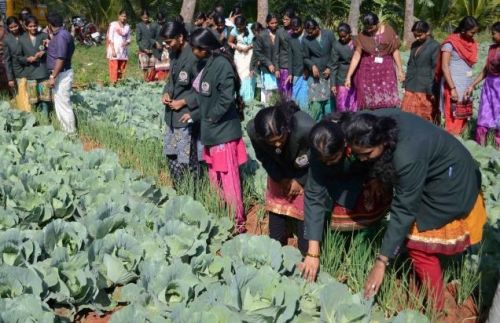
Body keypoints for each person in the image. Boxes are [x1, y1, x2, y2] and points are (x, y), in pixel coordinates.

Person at [345, 110, 485, 311]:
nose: (361, 159)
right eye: (356, 153)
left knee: (418, 245)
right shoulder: (372, 121)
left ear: (383, 141)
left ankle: (435, 307)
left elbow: (404, 209)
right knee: (406, 236)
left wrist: (381, 262)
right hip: (434, 168)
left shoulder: (407, 156)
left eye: (366, 154)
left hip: (450, 183)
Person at [299, 116, 392, 281]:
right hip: (338, 184)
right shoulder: (318, 156)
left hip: (366, 178)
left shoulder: (358, 136)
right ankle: (340, 257)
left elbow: (382, 156)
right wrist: (313, 252)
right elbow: (314, 197)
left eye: (333, 159)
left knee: (368, 223)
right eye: (324, 161)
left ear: (345, 145)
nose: (328, 163)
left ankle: (362, 259)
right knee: (337, 224)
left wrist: (377, 178)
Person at [190, 28, 248, 233]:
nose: (192, 52)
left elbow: (226, 97)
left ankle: (237, 220)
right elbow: (202, 97)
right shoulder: (206, 64)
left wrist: (211, 117)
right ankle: (222, 214)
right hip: (210, 130)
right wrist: (199, 116)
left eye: (194, 49)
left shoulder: (221, 65)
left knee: (229, 177)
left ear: (204, 48)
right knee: (215, 176)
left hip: (222, 130)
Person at [247, 102, 315, 254]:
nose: (277, 143)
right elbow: (264, 157)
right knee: (277, 216)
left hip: (304, 169)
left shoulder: (306, 128)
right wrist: (281, 178)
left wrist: (299, 181)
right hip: (278, 168)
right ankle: (275, 246)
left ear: (287, 128)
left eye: (280, 138)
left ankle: (305, 251)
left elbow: (318, 160)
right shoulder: (254, 131)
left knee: (304, 214)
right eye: (271, 142)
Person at [160, 21, 201, 187]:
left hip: (185, 116)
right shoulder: (173, 54)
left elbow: (203, 90)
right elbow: (171, 81)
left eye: (169, 42)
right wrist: (166, 93)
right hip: (172, 117)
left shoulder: (194, 57)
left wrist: (183, 101)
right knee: (172, 155)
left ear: (180, 37)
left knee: (187, 158)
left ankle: (192, 189)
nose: (168, 46)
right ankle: (178, 188)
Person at [345, 13, 404, 110]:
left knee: (388, 101)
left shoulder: (389, 31)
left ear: (378, 23)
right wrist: (348, 76)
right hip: (368, 72)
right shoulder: (362, 36)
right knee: (371, 104)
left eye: (371, 27)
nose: (369, 30)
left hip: (386, 72)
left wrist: (400, 70)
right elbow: (356, 56)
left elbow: (395, 51)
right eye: (366, 27)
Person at [437, 16, 479, 135]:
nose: (473, 35)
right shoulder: (450, 43)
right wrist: (453, 88)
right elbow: (445, 67)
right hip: (453, 83)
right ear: (463, 30)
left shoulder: (471, 43)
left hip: (466, 84)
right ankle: (452, 138)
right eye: (472, 32)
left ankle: (461, 136)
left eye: (475, 33)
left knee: (464, 112)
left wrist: (471, 85)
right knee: (453, 112)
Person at [465, 21, 499, 148]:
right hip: (489, 85)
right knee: (484, 114)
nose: (492, 36)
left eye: (494, 33)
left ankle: (497, 145)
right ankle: (481, 144)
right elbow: (486, 69)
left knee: (498, 115)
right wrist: (473, 84)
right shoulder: (492, 48)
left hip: (499, 87)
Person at [401, 21, 440, 122]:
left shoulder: (434, 46)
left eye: (419, 35)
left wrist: (432, 90)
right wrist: (405, 83)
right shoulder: (414, 45)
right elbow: (410, 64)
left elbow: (435, 68)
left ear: (427, 32)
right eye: (415, 35)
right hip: (411, 84)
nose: (417, 38)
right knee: (407, 116)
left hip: (425, 86)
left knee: (424, 116)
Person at [46, 12, 76, 135]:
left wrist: (53, 76)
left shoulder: (62, 36)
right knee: (60, 103)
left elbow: (61, 58)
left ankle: (70, 132)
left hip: (61, 74)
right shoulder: (62, 34)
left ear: (49, 25)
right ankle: (65, 130)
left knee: (63, 104)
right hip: (62, 73)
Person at [302, 18, 335, 121]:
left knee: (329, 103)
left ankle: (329, 126)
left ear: (317, 27)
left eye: (312, 31)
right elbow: (305, 57)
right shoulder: (305, 39)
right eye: (308, 32)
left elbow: (335, 52)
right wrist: (312, 65)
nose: (310, 34)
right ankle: (316, 126)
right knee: (316, 105)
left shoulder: (328, 34)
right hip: (315, 76)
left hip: (329, 74)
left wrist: (330, 67)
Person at [17, 15, 50, 116]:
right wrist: (27, 59)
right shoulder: (22, 39)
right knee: (33, 99)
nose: (33, 28)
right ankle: (36, 118)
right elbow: (18, 57)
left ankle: (45, 119)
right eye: (30, 26)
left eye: (35, 26)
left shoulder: (43, 36)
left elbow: (52, 51)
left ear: (37, 25)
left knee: (45, 98)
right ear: (26, 26)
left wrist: (44, 52)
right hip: (30, 73)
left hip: (43, 72)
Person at [253, 14, 279, 105]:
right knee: (268, 96)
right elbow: (257, 52)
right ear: (267, 24)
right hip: (267, 70)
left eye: (276, 22)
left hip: (280, 68)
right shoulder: (262, 35)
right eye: (272, 23)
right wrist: (268, 63)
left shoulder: (281, 33)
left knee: (279, 95)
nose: (274, 25)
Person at [228, 15, 255, 103]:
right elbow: (229, 42)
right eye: (237, 26)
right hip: (239, 56)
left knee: (248, 75)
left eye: (241, 26)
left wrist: (249, 46)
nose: (239, 28)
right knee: (239, 75)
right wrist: (236, 47)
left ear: (245, 24)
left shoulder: (251, 28)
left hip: (249, 54)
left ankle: (248, 99)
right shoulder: (234, 30)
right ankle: (238, 98)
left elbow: (257, 40)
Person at [331, 23, 357, 112]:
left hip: (356, 76)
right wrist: (333, 84)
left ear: (349, 33)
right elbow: (333, 65)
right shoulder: (336, 45)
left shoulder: (357, 41)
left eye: (344, 36)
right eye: (340, 37)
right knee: (342, 104)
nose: (342, 39)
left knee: (355, 104)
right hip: (342, 78)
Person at [106, 10, 131, 85]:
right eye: (122, 16)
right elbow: (110, 37)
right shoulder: (113, 24)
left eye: (125, 16)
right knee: (114, 67)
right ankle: (113, 83)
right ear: (119, 16)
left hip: (123, 51)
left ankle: (120, 83)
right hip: (114, 50)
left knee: (121, 68)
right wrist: (113, 50)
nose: (124, 18)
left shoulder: (127, 26)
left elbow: (129, 38)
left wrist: (126, 42)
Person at [288, 17, 308, 109]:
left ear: (302, 26)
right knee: (296, 94)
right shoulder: (291, 38)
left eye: (297, 29)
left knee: (305, 94)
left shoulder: (308, 36)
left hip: (308, 72)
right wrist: (290, 73)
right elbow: (290, 56)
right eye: (293, 29)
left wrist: (307, 68)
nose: (295, 31)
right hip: (296, 70)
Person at [3, 16, 25, 98]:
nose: (14, 29)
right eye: (11, 27)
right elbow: (7, 60)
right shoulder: (7, 40)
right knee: (21, 96)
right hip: (17, 71)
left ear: (19, 24)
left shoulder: (25, 35)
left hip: (30, 68)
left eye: (15, 26)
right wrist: (10, 78)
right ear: (8, 28)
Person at [275, 8, 295, 99]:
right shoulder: (279, 32)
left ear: (292, 19)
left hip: (295, 65)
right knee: (284, 91)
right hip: (284, 66)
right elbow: (276, 51)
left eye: (287, 19)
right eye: (283, 19)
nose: (284, 21)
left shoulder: (296, 30)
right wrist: (277, 68)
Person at [136, 9, 159, 81]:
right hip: (144, 50)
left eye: (146, 16)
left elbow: (156, 36)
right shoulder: (139, 26)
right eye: (144, 16)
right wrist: (144, 49)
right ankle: (146, 81)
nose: (145, 17)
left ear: (148, 17)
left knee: (154, 67)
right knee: (145, 68)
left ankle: (151, 80)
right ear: (141, 17)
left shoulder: (153, 24)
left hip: (152, 48)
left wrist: (156, 43)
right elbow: (138, 40)